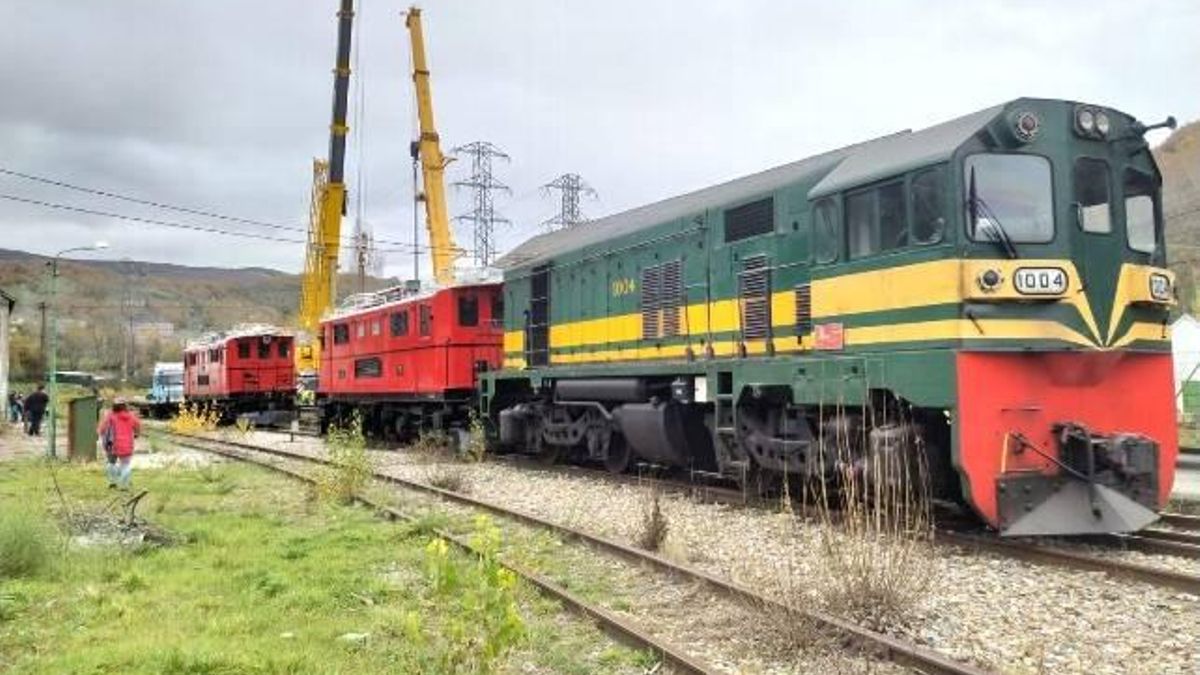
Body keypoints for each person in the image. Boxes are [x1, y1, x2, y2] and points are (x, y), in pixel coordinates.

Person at [97, 397, 141, 490]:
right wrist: (136, 434)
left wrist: (102, 435)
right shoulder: (131, 416)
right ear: (125, 406)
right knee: (125, 464)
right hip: (127, 444)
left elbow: (101, 429)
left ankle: (112, 482)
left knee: (111, 463)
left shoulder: (110, 416)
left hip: (112, 444)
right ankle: (124, 485)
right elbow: (137, 426)